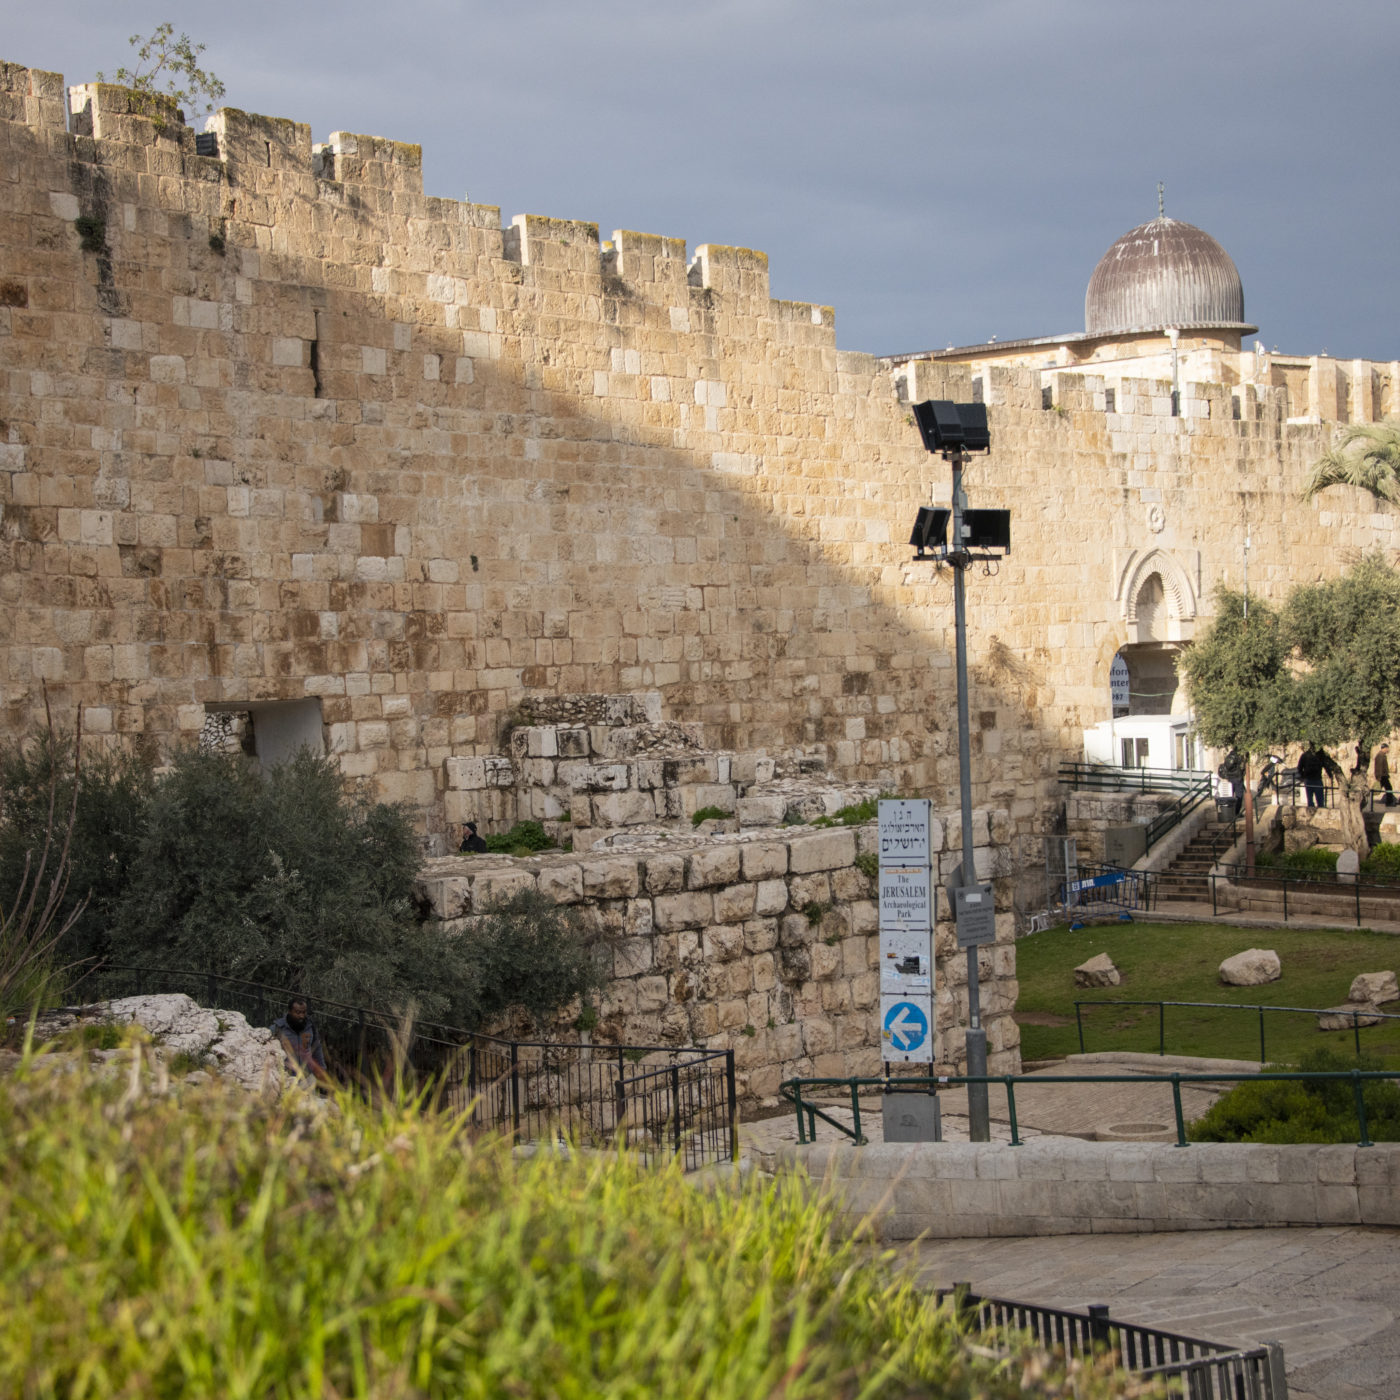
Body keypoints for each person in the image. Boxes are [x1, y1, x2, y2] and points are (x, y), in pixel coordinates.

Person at [271, 997, 330, 1085]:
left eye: (304, 1012)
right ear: (290, 1011)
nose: (301, 1016)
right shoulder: (277, 1029)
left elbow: (317, 1048)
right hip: (287, 1080)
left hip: (308, 1078)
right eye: (298, 1012)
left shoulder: (310, 1027)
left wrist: (322, 1069)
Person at [1297, 743, 1327, 808]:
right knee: (1320, 800)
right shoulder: (1320, 755)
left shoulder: (1304, 755)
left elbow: (1299, 768)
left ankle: (1312, 811)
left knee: (1310, 800)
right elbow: (1326, 766)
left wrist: (1303, 776)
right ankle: (1320, 810)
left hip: (1309, 779)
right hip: (1316, 779)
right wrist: (1330, 775)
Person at [1376, 743, 1394, 807]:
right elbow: (1379, 767)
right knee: (1389, 788)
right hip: (1382, 776)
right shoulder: (1380, 756)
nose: (1388, 750)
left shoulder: (1382, 755)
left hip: (1384, 775)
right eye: (1387, 748)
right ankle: (1389, 803)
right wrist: (1379, 777)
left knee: (1387, 788)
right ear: (1384, 748)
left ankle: (1389, 802)